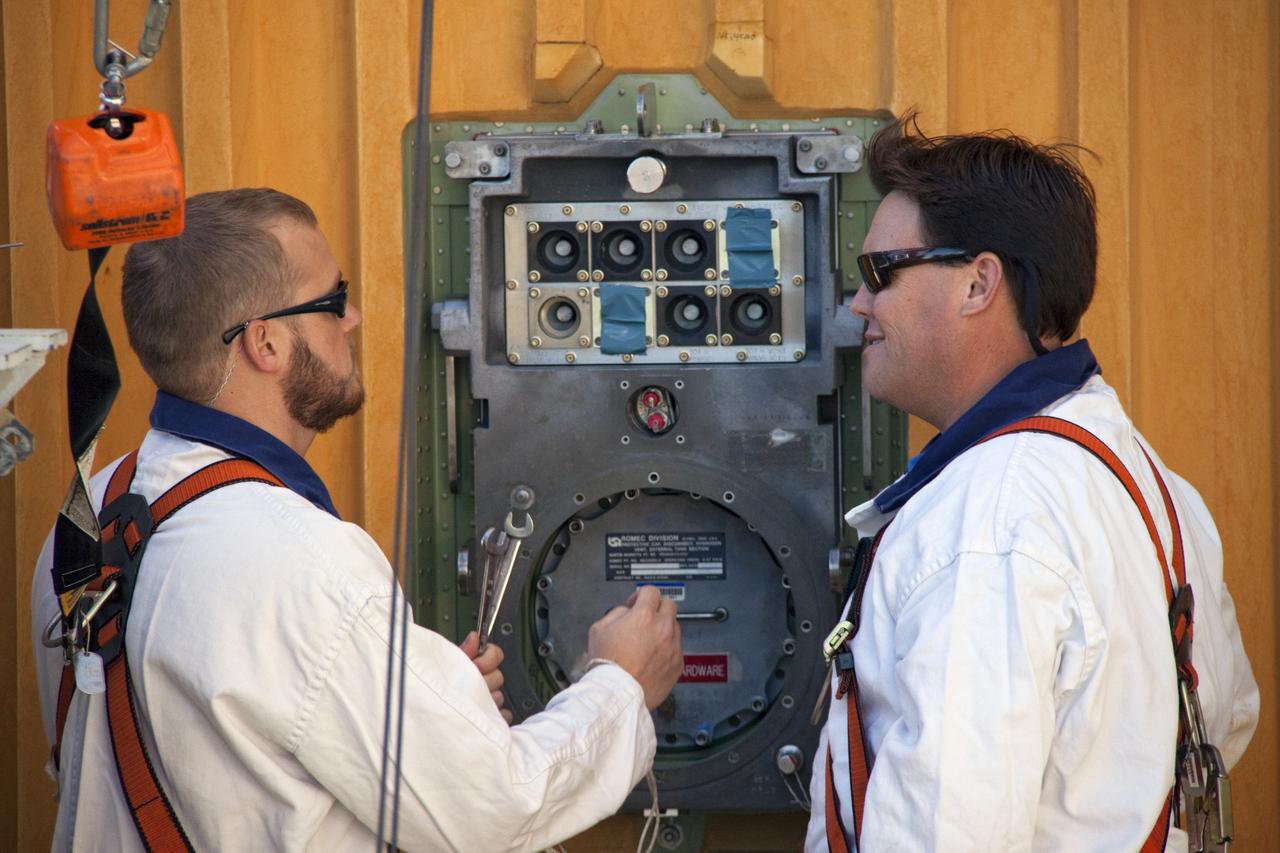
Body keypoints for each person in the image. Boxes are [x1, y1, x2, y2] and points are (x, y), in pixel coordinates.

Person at [31, 188, 684, 852]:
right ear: (267, 342)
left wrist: (420, 702)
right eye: (333, 300)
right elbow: (498, 807)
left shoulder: (88, 512)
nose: (355, 317)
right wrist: (620, 681)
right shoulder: (303, 564)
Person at [807, 116, 1259, 852]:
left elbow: (942, 834)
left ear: (979, 282)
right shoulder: (1150, 480)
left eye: (878, 273)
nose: (859, 305)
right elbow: (1226, 718)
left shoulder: (987, 518)